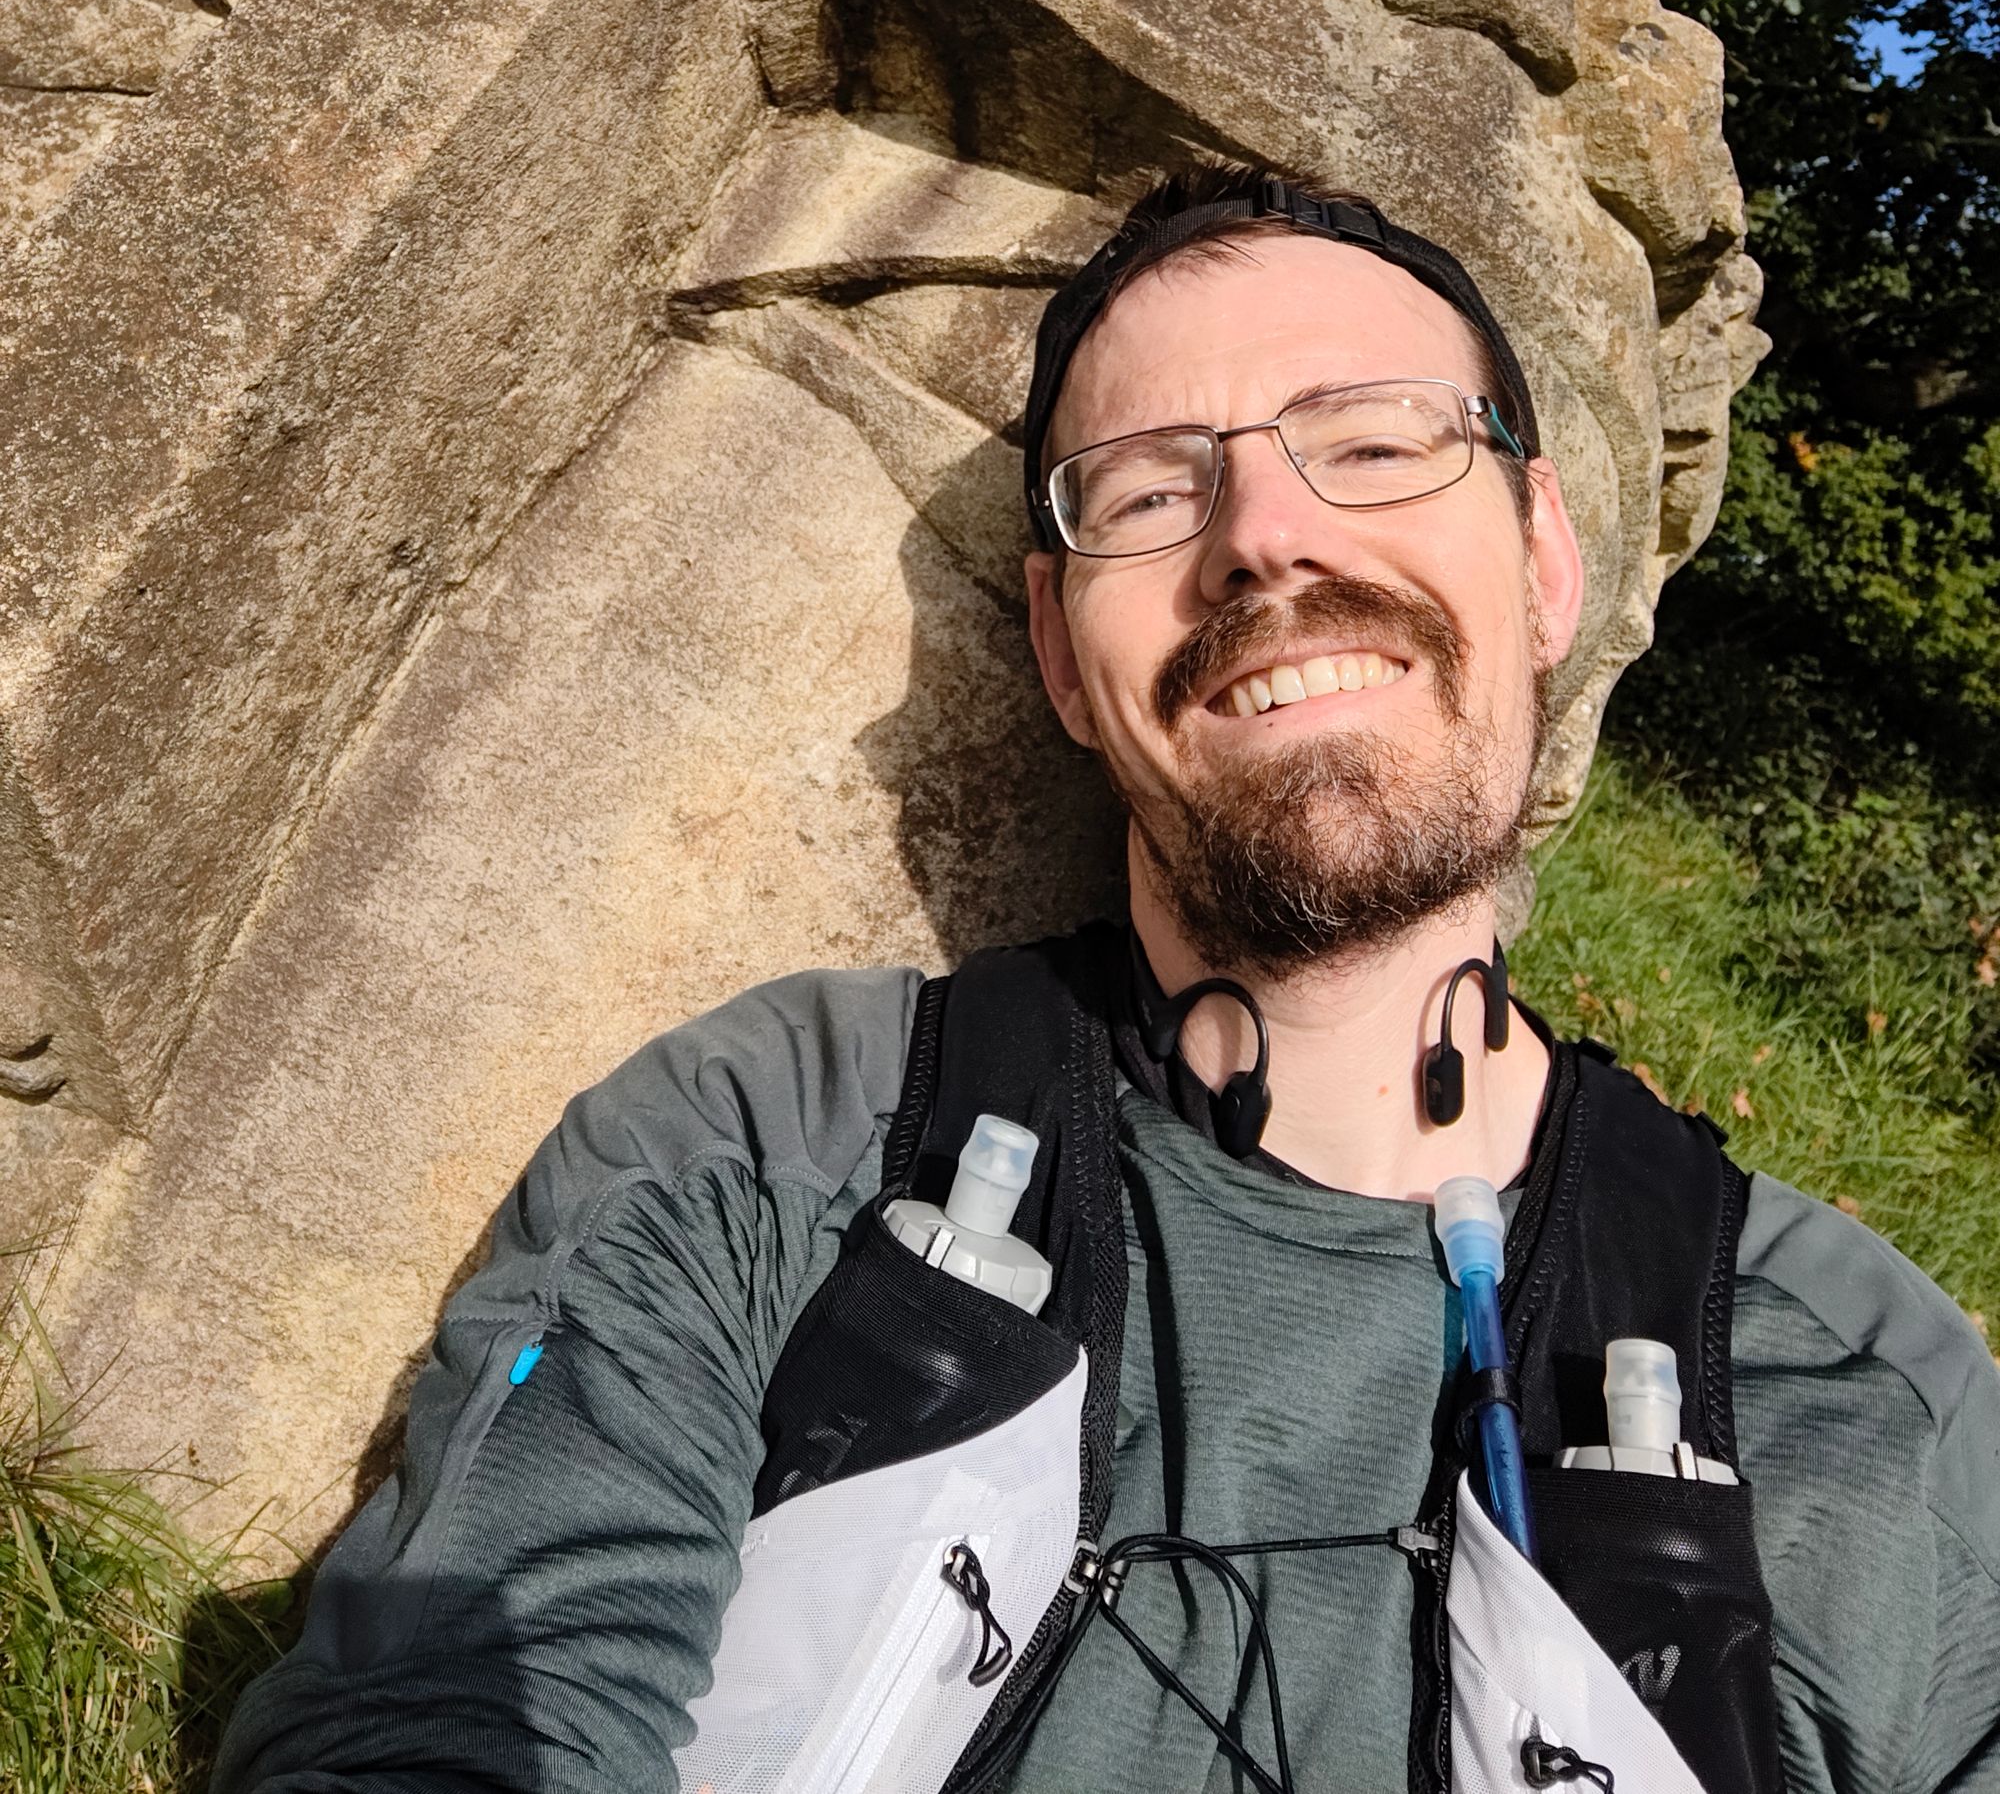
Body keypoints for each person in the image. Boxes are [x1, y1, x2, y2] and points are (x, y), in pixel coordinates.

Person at [216, 165, 2000, 1794]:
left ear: (1546, 563)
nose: (1266, 533)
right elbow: (451, 1719)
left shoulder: (1868, 1397)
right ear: (1063, 657)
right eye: (1151, 489)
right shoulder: (786, 1141)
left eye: (1376, 440)